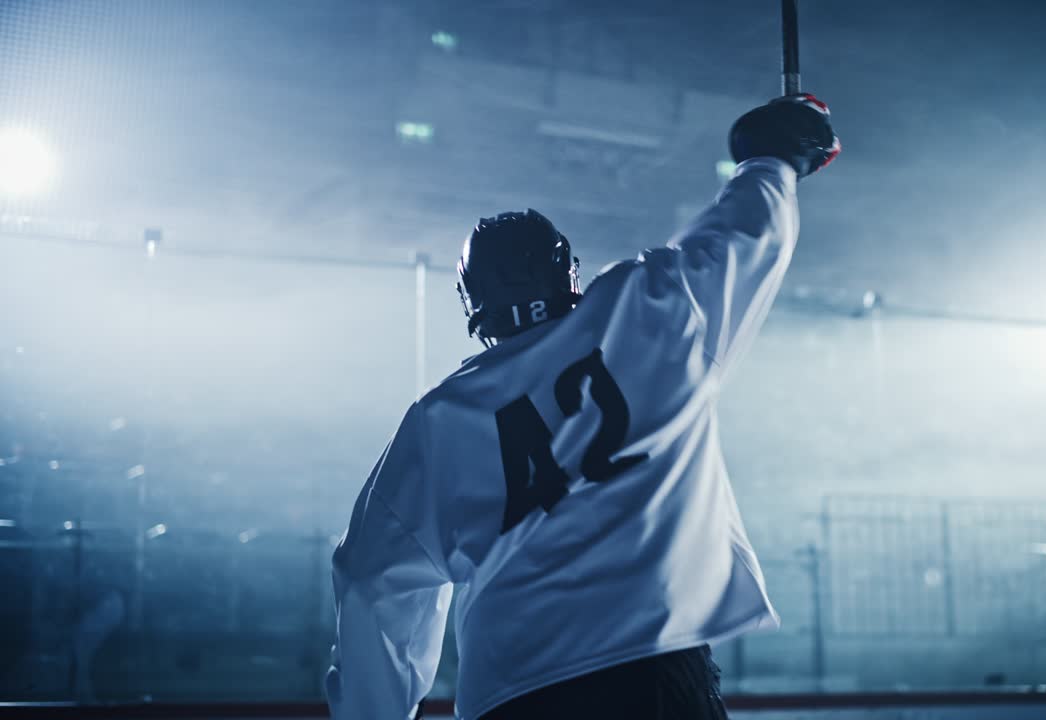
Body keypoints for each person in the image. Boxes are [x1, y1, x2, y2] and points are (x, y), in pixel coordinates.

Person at [325, 94, 839, 720]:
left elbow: (374, 582)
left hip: (512, 689)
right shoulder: (643, 309)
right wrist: (774, 160)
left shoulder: (438, 419)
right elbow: (744, 236)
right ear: (567, 269)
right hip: (651, 665)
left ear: (471, 304)